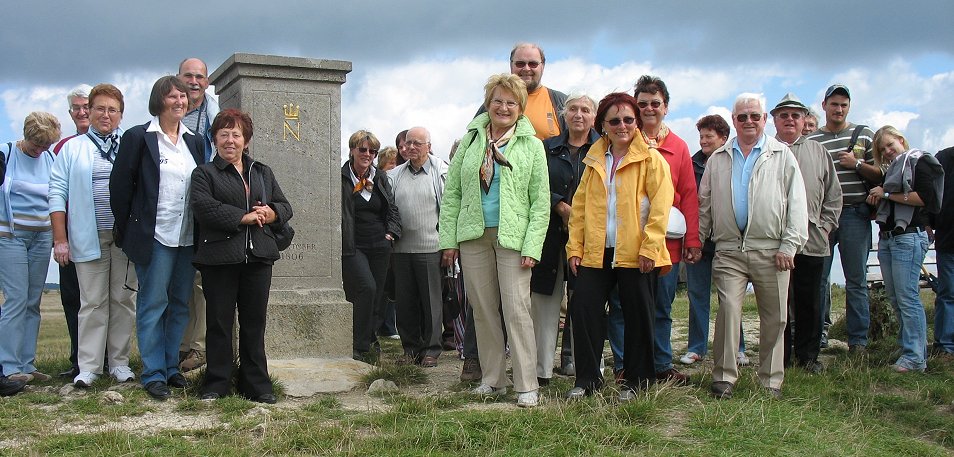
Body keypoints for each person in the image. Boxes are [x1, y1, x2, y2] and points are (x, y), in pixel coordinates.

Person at [439, 73, 549, 408]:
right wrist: (449, 240)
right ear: (488, 103)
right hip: (473, 235)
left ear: (520, 107)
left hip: (513, 238)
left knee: (517, 310)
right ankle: (493, 379)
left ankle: (527, 384)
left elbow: (540, 201)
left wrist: (532, 246)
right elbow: (453, 192)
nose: (504, 107)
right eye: (498, 100)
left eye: (511, 102)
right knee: (484, 311)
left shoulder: (531, 145)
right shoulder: (471, 142)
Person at [565, 92, 674, 400]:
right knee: (583, 308)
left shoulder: (652, 159)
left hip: (637, 253)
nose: (622, 125)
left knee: (638, 315)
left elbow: (660, 208)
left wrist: (650, 248)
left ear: (636, 122)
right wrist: (575, 248)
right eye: (614, 120)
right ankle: (587, 381)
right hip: (596, 252)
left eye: (628, 119)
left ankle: (638, 382)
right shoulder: (593, 161)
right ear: (603, 125)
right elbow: (580, 209)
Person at [700, 93, 807, 400]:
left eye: (754, 116)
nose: (748, 121)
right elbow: (704, 202)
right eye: (742, 116)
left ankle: (771, 380)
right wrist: (698, 239)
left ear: (763, 120)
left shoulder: (782, 155)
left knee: (775, 316)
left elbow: (797, 203)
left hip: (773, 250)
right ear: (733, 121)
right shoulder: (719, 157)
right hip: (729, 249)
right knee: (729, 310)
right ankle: (723, 377)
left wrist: (790, 244)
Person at [111, 76, 205, 400]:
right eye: (172, 96)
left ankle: (170, 368)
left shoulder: (195, 141)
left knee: (179, 304)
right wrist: (127, 231)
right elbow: (120, 188)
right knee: (153, 304)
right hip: (155, 236)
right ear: (159, 101)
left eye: (183, 96)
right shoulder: (139, 137)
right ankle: (152, 374)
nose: (179, 101)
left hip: (187, 236)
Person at [190, 109, 292, 403]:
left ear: (246, 140)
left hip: (258, 257)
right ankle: (217, 383)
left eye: (236, 134)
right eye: (224, 134)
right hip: (219, 259)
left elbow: (285, 206)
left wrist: (271, 213)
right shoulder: (204, 174)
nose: (230, 140)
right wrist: (243, 217)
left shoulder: (262, 171)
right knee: (219, 323)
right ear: (215, 139)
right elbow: (204, 208)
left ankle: (257, 385)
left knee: (254, 323)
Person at [606, 75, 700, 385]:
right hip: (628, 243)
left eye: (655, 103)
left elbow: (687, 195)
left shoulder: (678, 147)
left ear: (666, 107)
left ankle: (660, 364)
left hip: (665, 244)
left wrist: (693, 240)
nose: (649, 109)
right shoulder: (618, 143)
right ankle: (624, 365)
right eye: (642, 104)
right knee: (621, 306)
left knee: (661, 306)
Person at [49, 83, 138, 387]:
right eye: (99, 108)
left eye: (112, 110)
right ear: (89, 110)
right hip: (88, 235)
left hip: (123, 238)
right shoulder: (72, 148)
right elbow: (57, 194)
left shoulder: (130, 144)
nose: (105, 114)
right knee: (92, 302)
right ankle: (88, 367)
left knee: (122, 300)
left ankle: (119, 363)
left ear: (120, 115)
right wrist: (60, 239)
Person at [771, 93, 842, 373]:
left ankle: (808, 357)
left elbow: (834, 195)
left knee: (810, 300)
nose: (790, 119)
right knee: (779, 304)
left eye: (795, 115)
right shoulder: (766, 151)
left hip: (812, 239)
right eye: (784, 115)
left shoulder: (818, 152)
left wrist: (825, 227)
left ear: (805, 121)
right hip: (775, 241)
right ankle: (781, 358)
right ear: (774, 120)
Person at [807, 85, 880, 353]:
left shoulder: (863, 135)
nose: (839, 109)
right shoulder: (813, 140)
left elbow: (882, 173)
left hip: (854, 214)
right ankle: (818, 335)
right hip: (823, 218)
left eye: (844, 105)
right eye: (834, 104)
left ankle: (858, 341)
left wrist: (857, 165)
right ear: (824, 105)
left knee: (856, 280)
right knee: (819, 279)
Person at [532, 93, 599, 385]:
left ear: (594, 117)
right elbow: (534, 184)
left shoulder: (603, 149)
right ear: (563, 114)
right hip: (549, 235)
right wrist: (560, 205)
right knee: (545, 302)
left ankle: (579, 364)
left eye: (586, 110)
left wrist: (579, 216)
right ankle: (540, 369)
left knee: (584, 302)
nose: (579, 115)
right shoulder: (546, 148)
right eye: (573, 109)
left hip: (589, 237)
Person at [866, 126, 943, 373]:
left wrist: (886, 193)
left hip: (908, 237)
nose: (888, 152)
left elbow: (925, 198)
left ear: (901, 140)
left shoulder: (919, 162)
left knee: (908, 298)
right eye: (882, 149)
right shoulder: (894, 170)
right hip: (889, 238)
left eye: (890, 145)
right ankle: (909, 350)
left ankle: (915, 358)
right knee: (896, 299)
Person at [679, 114, 749, 366]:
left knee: (730, 297)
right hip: (697, 241)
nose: (703, 141)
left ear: (723, 138)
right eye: (701, 136)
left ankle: (738, 347)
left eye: (709, 136)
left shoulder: (734, 163)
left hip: (725, 242)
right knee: (697, 294)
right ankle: (697, 346)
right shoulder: (692, 163)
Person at [0, 112, 60, 386]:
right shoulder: (6, 153)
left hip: (42, 236)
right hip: (10, 235)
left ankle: (27, 363)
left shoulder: (49, 158)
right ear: (26, 137)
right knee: (15, 298)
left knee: (32, 301)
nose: (40, 150)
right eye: (36, 145)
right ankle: (8, 367)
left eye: (45, 145)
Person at [388, 127, 447, 367]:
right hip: (401, 250)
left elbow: (448, 209)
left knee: (432, 302)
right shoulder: (394, 175)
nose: (411, 147)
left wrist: (449, 245)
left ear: (428, 146)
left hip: (431, 247)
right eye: (408, 143)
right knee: (405, 303)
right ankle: (410, 349)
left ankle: (432, 350)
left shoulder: (441, 172)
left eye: (417, 143)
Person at [341, 130, 401, 362]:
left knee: (379, 294)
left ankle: (370, 339)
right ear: (352, 150)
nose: (368, 154)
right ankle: (359, 342)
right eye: (363, 149)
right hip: (354, 244)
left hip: (380, 243)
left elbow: (392, 208)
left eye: (372, 151)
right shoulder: (342, 177)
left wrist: (391, 233)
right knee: (366, 288)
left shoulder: (380, 178)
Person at [177, 57, 220, 373]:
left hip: (205, 204)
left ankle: (199, 348)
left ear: (207, 82)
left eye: (200, 77)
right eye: (188, 76)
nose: (194, 82)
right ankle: (179, 345)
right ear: (178, 78)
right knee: (178, 280)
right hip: (174, 209)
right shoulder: (169, 110)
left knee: (202, 282)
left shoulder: (214, 115)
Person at [52, 84, 93, 380]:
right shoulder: (62, 147)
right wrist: (60, 238)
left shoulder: (117, 142)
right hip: (70, 232)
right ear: (71, 113)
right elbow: (55, 191)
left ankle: (104, 358)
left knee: (101, 298)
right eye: (76, 108)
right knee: (72, 297)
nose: (82, 112)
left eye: (86, 106)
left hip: (101, 231)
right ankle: (79, 358)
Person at [932, 146, 954, 357]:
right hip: (948, 238)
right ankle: (945, 348)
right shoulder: (944, 158)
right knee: (947, 293)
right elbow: (932, 192)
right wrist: (929, 222)